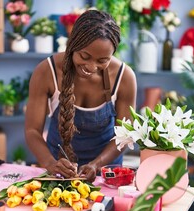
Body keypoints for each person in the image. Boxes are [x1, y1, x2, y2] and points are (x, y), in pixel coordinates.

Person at [25, 9, 137, 182]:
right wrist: (50, 163)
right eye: (85, 56)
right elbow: (32, 131)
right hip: (58, 168)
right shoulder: (47, 71)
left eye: (102, 61)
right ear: (72, 45)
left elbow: (125, 135)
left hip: (106, 170)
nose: (91, 67)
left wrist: (97, 164)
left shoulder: (124, 77)